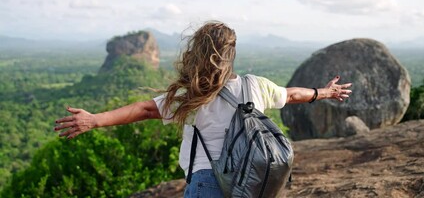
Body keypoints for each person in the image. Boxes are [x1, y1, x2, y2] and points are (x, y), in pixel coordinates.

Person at [54, 21, 352, 197]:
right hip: (250, 181)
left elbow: (145, 109)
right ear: (230, 56)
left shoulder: (192, 96)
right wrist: (324, 92)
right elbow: (291, 95)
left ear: (197, 53)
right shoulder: (255, 85)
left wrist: (95, 120)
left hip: (208, 182)